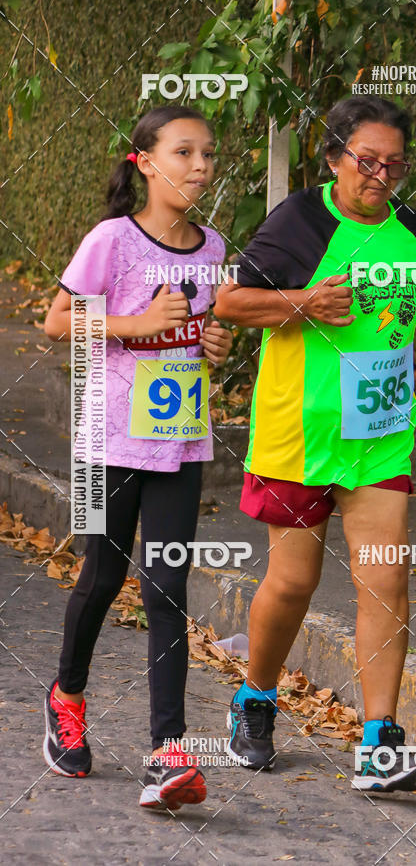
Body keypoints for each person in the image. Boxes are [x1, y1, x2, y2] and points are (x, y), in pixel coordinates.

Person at [214, 95, 416, 792]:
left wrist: (415, 346)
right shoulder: (302, 221)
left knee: (386, 581)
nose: (380, 176)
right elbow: (230, 302)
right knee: (294, 582)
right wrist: (303, 304)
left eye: (394, 164)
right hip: (301, 434)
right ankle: (255, 699)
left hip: (378, 436)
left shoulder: (406, 226)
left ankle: (379, 742)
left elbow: (390, 307)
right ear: (334, 158)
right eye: (366, 161)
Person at [43, 105, 232, 810]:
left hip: (180, 439)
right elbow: (58, 321)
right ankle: (66, 697)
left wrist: (212, 344)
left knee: (167, 589)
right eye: (184, 153)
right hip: (105, 441)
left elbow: (202, 328)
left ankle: (169, 751)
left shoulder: (212, 247)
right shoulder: (112, 240)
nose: (201, 166)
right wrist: (133, 324)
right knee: (101, 576)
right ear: (145, 163)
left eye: (208, 154)